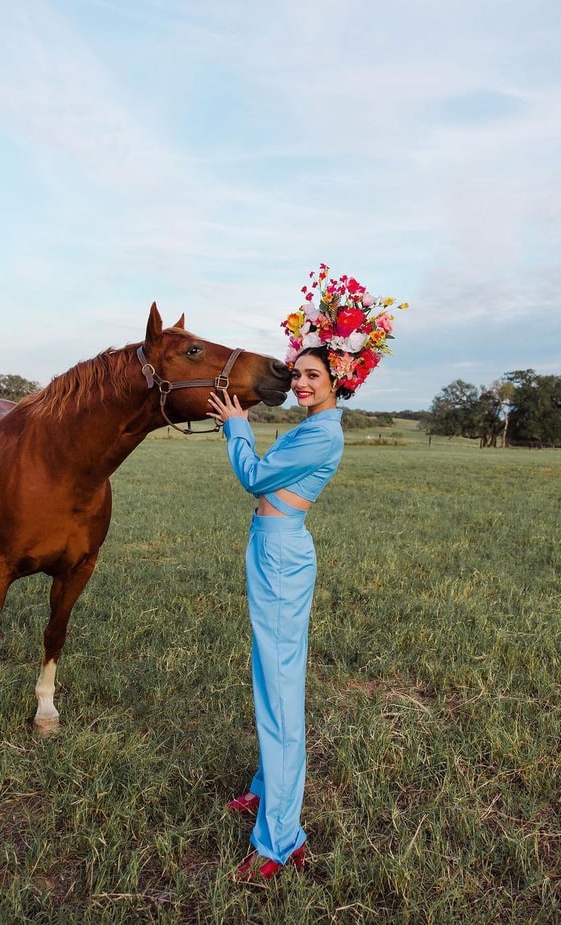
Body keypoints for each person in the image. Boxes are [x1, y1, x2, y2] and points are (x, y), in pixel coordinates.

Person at [206, 264, 408, 882]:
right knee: (271, 676)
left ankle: (279, 839)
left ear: (337, 383)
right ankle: (268, 791)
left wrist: (236, 425)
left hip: (281, 553)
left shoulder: (323, 434)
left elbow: (256, 478)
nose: (299, 382)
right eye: (298, 373)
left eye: (312, 375)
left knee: (280, 688)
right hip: (271, 547)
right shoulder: (311, 426)